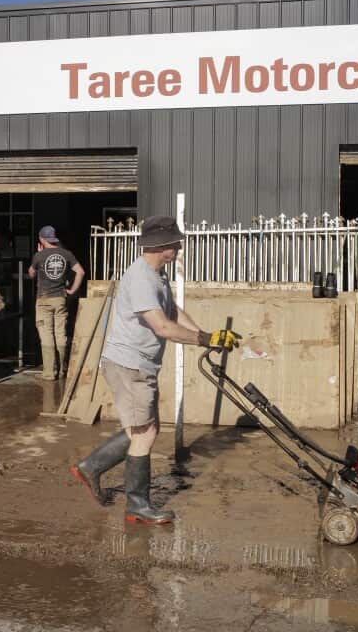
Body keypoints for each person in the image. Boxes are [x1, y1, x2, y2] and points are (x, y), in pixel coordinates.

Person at [69, 215, 241, 524]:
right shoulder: (141, 278)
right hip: (129, 365)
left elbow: (173, 312)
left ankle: (91, 466)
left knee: (144, 429)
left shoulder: (156, 276)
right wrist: (204, 339)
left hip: (139, 364)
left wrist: (207, 338)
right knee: (144, 433)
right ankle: (137, 505)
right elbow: (162, 327)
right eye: (175, 242)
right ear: (161, 245)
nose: (178, 246)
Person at [28, 225, 85, 381]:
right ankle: (61, 370)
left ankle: (49, 372)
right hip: (60, 299)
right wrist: (72, 290)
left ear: (42, 239)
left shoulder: (38, 256)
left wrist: (38, 255)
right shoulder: (66, 254)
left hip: (43, 300)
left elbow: (31, 274)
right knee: (61, 334)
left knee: (46, 335)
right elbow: (81, 271)